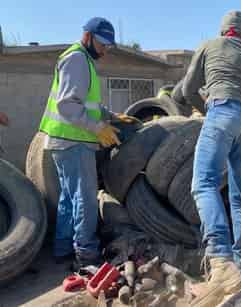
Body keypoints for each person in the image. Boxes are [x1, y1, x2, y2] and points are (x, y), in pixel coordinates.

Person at [183, 10, 241, 306]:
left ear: (224, 31)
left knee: (203, 184)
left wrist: (205, 109)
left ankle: (220, 261)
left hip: (223, 113)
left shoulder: (210, 46)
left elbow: (186, 89)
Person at [39, 17, 137, 269]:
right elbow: (67, 105)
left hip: (64, 141)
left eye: (108, 46)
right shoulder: (77, 59)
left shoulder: (82, 60)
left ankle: (62, 249)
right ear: (87, 36)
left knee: (69, 199)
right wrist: (98, 128)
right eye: (102, 44)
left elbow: (88, 104)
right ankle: (87, 255)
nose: (105, 50)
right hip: (74, 140)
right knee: (85, 199)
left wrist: (111, 116)